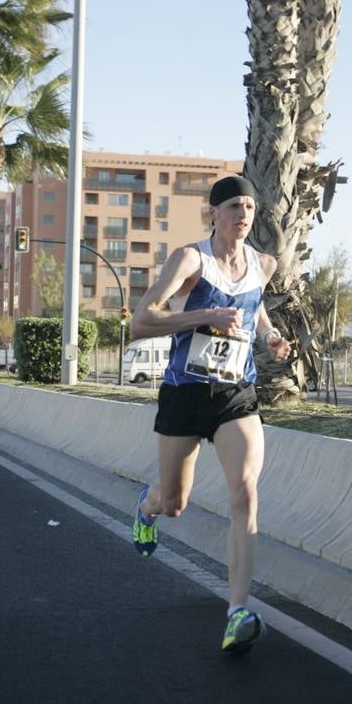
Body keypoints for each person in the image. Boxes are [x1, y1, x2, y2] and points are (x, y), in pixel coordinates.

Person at [128, 175, 292, 654]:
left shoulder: (263, 264)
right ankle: (148, 505)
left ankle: (237, 611)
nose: (243, 215)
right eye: (234, 206)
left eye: (250, 207)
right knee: (175, 503)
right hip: (185, 392)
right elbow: (142, 321)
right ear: (213, 213)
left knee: (245, 493)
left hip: (234, 395)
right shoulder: (190, 259)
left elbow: (255, 313)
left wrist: (270, 337)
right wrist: (206, 316)